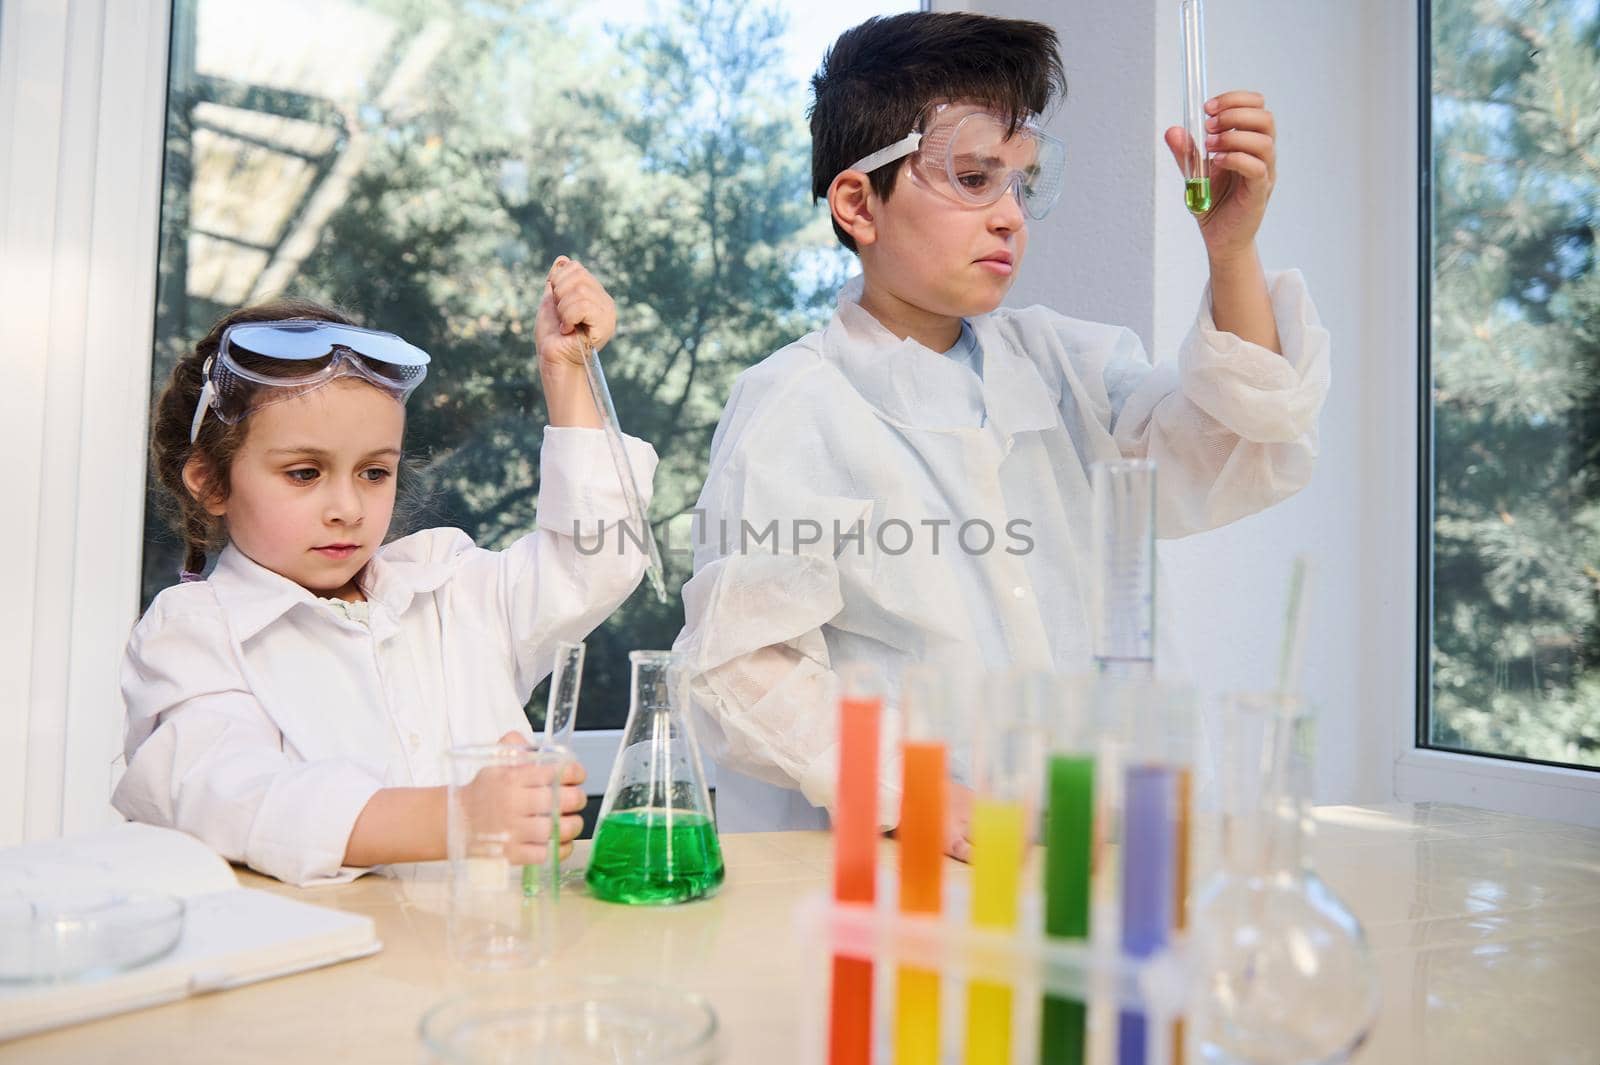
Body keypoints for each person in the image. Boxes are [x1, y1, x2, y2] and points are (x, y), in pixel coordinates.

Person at [673, 12, 1330, 849]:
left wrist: (1232, 251)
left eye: (1021, 183)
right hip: (898, 872)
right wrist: (919, 801)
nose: (1010, 216)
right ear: (857, 202)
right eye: (974, 177)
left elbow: (1240, 441)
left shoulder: (1067, 366)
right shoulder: (798, 404)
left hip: (1094, 855)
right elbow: (741, 667)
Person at [114, 259, 656, 885]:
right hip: (340, 977)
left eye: (374, 472)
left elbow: (596, 560)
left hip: (495, 966)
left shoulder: (449, 589)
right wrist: (457, 818)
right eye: (304, 473)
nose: (347, 508)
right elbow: (230, 795)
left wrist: (568, 373)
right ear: (211, 482)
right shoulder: (195, 634)